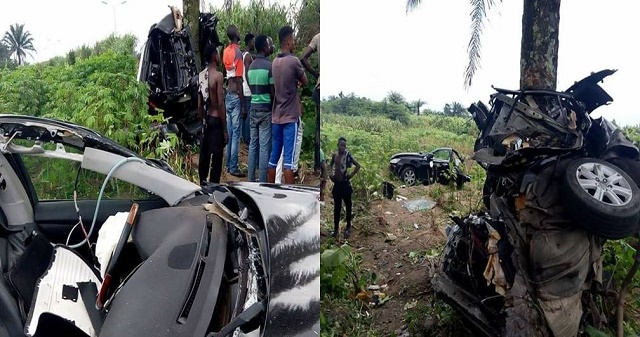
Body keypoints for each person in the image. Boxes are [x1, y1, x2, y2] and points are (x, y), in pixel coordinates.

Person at [268, 26, 307, 184]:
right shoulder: (294, 61)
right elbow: (305, 82)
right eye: (293, 40)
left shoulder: (274, 62)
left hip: (276, 117)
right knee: (288, 164)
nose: (294, 42)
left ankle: (268, 192)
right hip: (290, 119)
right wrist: (296, 82)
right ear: (289, 41)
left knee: (273, 160)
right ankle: (291, 199)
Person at [198, 44, 228, 185]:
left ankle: (202, 183)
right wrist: (225, 129)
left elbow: (199, 104)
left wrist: (202, 120)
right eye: (217, 53)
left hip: (206, 119)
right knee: (217, 157)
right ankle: (214, 186)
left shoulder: (201, 76)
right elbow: (220, 104)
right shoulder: (218, 76)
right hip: (216, 120)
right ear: (214, 57)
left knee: (205, 154)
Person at [247, 35, 275, 183]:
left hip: (253, 108)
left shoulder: (250, 66)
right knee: (264, 147)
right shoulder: (270, 67)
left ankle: (250, 180)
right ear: (265, 47)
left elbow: (252, 89)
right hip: (265, 110)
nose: (271, 47)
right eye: (269, 45)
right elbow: (272, 92)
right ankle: (262, 182)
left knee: (253, 144)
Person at [222, 25, 247, 178]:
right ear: (236, 35)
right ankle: (233, 167)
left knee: (230, 132)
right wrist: (243, 103)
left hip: (228, 94)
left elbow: (228, 73)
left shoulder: (226, 51)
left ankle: (227, 165)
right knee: (236, 134)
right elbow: (238, 79)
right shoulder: (238, 52)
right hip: (236, 94)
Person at [329, 137, 360, 239]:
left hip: (345, 185)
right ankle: (336, 229)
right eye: (341, 145)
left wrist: (350, 175)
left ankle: (348, 227)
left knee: (348, 207)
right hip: (337, 185)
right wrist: (330, 174)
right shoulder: (335, 155)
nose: (343, 147)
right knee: (336, 208)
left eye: (345, 146)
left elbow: (357, 165)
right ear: (337, 144)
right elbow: (331, 165)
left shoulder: (347, 156)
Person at [301, 33, 320, 172]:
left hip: (320, 87)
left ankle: (317, 165)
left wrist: (316, 74)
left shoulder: (318, 37)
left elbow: (303, 57)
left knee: (319, 128)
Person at [240, 33, 255, 146]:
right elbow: (247, 74)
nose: (254, 44)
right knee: (248, 116)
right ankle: (246, 140)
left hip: (243, 89)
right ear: (250, 42)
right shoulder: (248, 56)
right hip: (247, 90)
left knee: (244, 115)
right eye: (253, 41)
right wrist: (252, 89)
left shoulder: (243, 54)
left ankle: (243, 138)